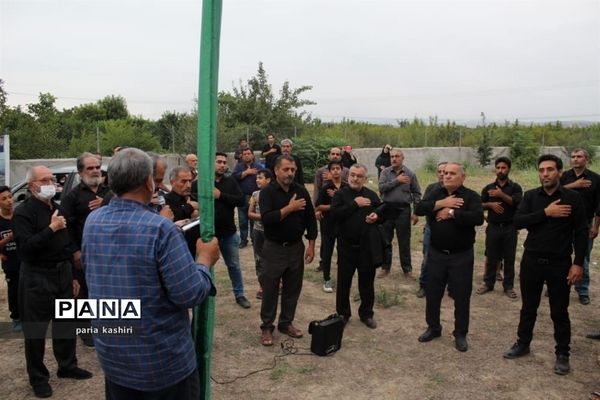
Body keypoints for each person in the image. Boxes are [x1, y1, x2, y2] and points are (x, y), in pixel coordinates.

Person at [82, 148, 218, 399]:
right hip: (161, 366)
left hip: (114, 359)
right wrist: (204, 261)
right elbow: (189, 294)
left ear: (110, 181)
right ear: (148, 181)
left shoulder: (93, 221)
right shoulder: (161, 230)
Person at [503, 154, 587, 376]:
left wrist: (578, 264)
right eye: (541, 170)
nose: (545, 174)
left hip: (560, 263)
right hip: (531, 261)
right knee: (528, 307)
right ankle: (523, 343)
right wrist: (545, 213)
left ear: (559, 172)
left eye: (550, 170)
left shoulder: (573, 198)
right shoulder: (531, 197)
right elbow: (518, 222)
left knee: (559, 311)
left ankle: (562, 353)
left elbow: (580, 233)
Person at [13, 165, 92, 398]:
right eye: (45, 179)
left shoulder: (57, 209)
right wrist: (51, 228)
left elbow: (66, 244)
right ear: (32, 185)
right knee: (36, 330)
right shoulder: (23, 213)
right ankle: (38, 378)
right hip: (37, 276)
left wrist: (74, 277)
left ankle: (67, 366)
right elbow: (26, 249)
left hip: (63, 274)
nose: (51, 183)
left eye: (52, 179)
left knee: (65, 322)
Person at [415, 162, 484, 352]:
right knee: (433, 293)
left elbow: (478, 218)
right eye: (445, 173)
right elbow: (420, 208)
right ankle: (433, 327)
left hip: (461, 255)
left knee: (461, 295)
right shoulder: (435, 192)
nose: (447, 176)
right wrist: (442, 204)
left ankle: (460, 333)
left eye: (452, 173)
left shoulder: (471, 196)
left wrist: (452, 213)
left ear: (463, 177)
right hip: (437, 254)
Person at [258, 154, 317, 346]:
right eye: (286, 169)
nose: (290, 173)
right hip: (274, 248)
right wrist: (290, 208)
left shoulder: (300, 191)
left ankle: (286, 323)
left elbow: (310, 218)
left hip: (295, 248)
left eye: (293, 170)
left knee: (293, 288)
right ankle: (267, 326)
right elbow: (267, 219)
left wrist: (311, 245)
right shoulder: (267, 192)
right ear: (276, 170)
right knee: (270, 288)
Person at [61, 152, 111, 347]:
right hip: (85, 255)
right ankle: (86, 332)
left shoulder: (110, 193)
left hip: (109, 254)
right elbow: (65, 226)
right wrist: (74, 252)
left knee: (106, 292)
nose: (95, 171)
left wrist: (106, 203)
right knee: (84, 295)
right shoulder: (72, 197)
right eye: (90, 168)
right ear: (81, 172)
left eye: (97, 167)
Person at [330, 164, 386, 329]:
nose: (355, 178)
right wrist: (355, 204)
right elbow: (334, 215)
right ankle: (343, 313)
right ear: (348, 176)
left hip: (367, 247)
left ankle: (366, 314)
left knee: (367, 283)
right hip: (346, 246)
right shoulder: (340, 194)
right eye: (353, 175)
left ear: (364, 178)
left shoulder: (371, 195)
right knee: (344, 282)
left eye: (359, 176)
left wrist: (377, 216)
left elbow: (382, 212)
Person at [476, 157, 523, 299]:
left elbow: (518, 204)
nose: (500, 170)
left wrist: (501, 195)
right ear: (495, 169)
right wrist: (489, 205)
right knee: (491, 256)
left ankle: (508, 286)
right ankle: (488, 283)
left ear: (509, 169)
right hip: (493, 227)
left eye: (503, 168)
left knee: (509, 257)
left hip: (510, 227)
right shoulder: (488, 188)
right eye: (498, 168)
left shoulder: (515, 188)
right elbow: (477, 205)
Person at [559, 148, 600, 305]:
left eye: (579, 156)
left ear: (586, 159)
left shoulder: (596, 179)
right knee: (560, 255)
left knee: (582, 258)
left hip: (585, 224)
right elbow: (555, 192)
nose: (575, 159)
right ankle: (557, 284)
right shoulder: (564, 177)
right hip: (563, 223)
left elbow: (599, 206)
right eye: (573, 156)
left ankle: (582, 290)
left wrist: (596, 227)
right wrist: (574, 185)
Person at [215, 152, 251, 308]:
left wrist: (221, 195)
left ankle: (240, 294)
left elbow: (241, 200)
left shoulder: (230, 182)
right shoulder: (200, 183)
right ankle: (204, 297)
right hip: (207, 235)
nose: (223, 165)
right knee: (204, 267)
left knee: (234, 266)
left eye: (224, 162)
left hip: (228, 233)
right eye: (219, 162)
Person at [378, 149, 421, 278]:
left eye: (397, 156)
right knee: (385, 239)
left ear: (403, 158)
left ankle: (407, 269)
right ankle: (385, 267)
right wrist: (397, 181)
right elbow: (381, 188)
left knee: (404, 241)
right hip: (387, 208)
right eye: (392, 156)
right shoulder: (385, 172)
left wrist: (416, 212)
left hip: (403, 210)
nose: (394, 159)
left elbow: (417, 193)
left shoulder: (410, 174)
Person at [315, 160, 346, 293]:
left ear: (342, 170)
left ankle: (343, 278)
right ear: (329, 171)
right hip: (328, 224)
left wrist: (339, 198)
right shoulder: (326, 187)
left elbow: (351, 204)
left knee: (343, 252)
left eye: (338, 168)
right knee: (327, 253)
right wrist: (334, 206)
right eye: (332, 169)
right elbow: (318, 205)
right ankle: (327, 279)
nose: (335, 171)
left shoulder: (346, 186)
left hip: (344, 224)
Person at [416, 161, 446, 298]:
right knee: (428, 257)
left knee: (449, 259)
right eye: (439, 171)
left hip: (450, 230)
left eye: (445, 172)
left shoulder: (456, 190)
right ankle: (423, 285)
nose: (442, 174)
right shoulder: (432, 189)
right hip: (431, 228)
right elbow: (423, 207)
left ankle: (449, 286)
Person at [248, 169, 272, 299]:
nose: (257, 180)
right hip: (258, 232)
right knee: (259, 259)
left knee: (273, 259)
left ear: (268, 180)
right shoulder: (255, 194)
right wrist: (264, 217)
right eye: (257, 178)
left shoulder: (274, 194)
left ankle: (277, 284)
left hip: (272, 233)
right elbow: (250, 213)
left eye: (260, 178)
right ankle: (262, 286)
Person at [165, 166, 200, 255]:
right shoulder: (166, 201)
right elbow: (170, 220)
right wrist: (189, 207)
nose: (188, 185)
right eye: (183, 181)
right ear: (173, 183)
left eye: (190, 181)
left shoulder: (194, 197)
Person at [0, 186, 21, 332]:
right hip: (10, 263)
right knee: (14, 290)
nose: (9, 201)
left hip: (26, 260)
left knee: (29, 290)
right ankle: (16, 317)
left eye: (9, 197)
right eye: (4, 199)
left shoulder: (20, 215)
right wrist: (9, 238)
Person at [232, 148, 262, 249]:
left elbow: (264, 178)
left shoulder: (258, 166)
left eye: (249, 153)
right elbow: (233, 177)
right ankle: (243, 240)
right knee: (242, 220)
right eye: (244, 154)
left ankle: (255, 239)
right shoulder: (239, 166)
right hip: (242, 197)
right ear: (242, 156)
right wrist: (246, 172)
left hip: (255, 197)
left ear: (253, 155)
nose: (246, 155)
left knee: (254, 219)